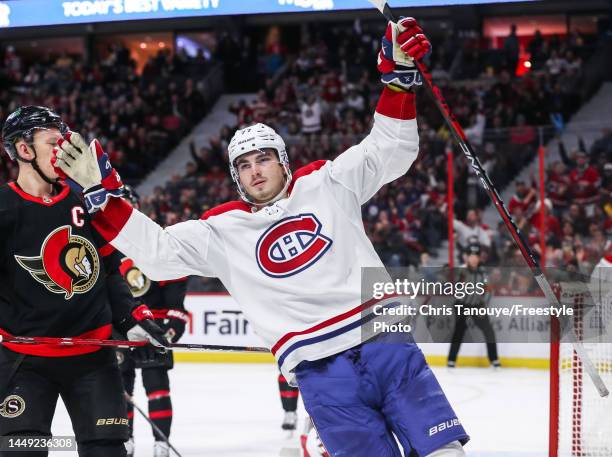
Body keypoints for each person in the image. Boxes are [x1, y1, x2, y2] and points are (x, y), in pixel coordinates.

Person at [54, 18, 469, 457]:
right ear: (235, 177)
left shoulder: (328, 182)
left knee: (447, 453)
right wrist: (104, 199)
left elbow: (391, 151)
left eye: (264, 158)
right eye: (245, 164)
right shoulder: (221, 229)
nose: (255, 169)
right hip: (321, 371)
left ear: (283, 162)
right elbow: (157, 255)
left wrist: (399, 85)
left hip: (387, 345)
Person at [0, 106, 167, 457]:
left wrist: (132, 318)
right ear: (25, 151)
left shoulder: (85, 200)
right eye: (53, 143)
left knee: (106, 451)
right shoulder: (3, 208)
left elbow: (107, 270)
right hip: (22, 361)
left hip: (94, 357)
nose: (64, 151)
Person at [115, 186, 189, 457]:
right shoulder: (101, 248)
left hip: (153, 331)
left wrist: (166, 334)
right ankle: (125, 441)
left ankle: (161, 444)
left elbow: (176, 308)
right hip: (120, 333)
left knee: (156, 386)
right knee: (120, 391)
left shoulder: (157, 245)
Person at [447, 244, 500, 369]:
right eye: (472, 256)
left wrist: (484, 304)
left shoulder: (483, 273)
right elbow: (453, 288)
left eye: (476, 256)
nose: (474, 259)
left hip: (477, 305)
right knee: (459, 331)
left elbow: (488, 289)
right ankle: (451, 360)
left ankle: (494, 360)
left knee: (489, 331)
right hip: (462, 304)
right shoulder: (461, 270)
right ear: (467, 257)